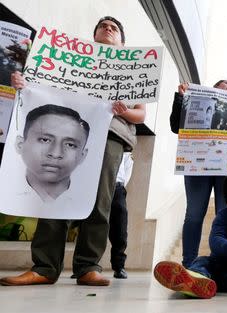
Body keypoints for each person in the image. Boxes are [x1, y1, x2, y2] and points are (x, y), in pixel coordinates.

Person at [0, 16, 146, 287]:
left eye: (114, 28)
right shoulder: (69, 61)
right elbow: (45, 89)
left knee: (100, 202)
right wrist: (25, 85)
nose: (108, 29)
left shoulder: (133, 71)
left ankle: (88, 266)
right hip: (65, 133)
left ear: (122, 43)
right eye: (103, 26)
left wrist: (125, 109)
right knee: (55, 195)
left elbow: (140, 114)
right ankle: (44, 266)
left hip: (111, 137)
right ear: (94, 36)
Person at [170, 79, 227, 268]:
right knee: (193, 215)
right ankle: (189, 264)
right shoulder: (197, 102)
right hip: (197, 167)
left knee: (224, 215)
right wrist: (181, 98)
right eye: (226, 85)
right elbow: (176, 126)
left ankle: (223, 262)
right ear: (213, 89)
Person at [16, 104, 89, 202]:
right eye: (45, 140)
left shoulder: (86, 205)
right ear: (20, 145)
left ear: (82, 156)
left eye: (70, 145)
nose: (56, 154)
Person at [108, 152, 134, 279]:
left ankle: (119, 266)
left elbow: (128, 167)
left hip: (117, 187)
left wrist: (121, 184)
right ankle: (84, 267)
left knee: (120, 228)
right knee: (91, 225)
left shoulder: (126, 149)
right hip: (97, 184)